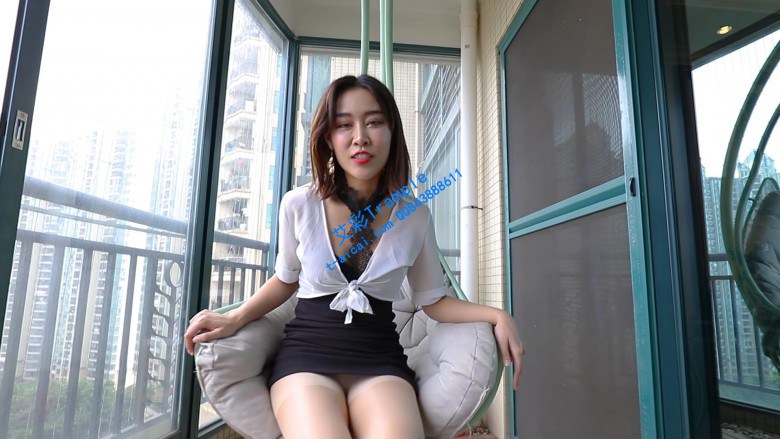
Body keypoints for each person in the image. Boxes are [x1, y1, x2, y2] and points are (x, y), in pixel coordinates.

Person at [184, 74, 524, 439]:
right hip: (306, 360)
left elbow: (433, 301)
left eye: (374, 122)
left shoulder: (415, 215)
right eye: (344, 125)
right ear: (328, 137)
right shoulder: (299, 205)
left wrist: (497, 315)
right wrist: (234, 318)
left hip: (380, 362)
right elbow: (285, 279)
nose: (360, 137)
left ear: (392, 133)